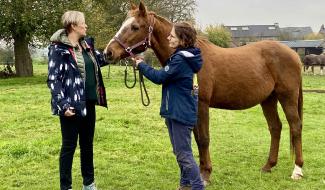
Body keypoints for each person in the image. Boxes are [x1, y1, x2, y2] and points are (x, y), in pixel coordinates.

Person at [132, 22, 204, 190]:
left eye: (172, 36)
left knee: (183, 153)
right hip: (175, 110)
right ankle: (185, 184)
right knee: (180, 152)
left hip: (179, 112)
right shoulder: (183, 57)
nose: (168, 37)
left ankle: (197, 186)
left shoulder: (180, 59)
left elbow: (159, 77)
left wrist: (141, 65)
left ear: (182, 39)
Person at [47, 10, 107, 190]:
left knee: (87, 145)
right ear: (73, 25)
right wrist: (63, 104)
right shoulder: (58, 49)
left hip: (89, 102)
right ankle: (66, 186)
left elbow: (103, 59)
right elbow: (53, 79)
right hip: (70, 105)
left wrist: (126, 52)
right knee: (69, 147)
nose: (86, 25)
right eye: (84, 23)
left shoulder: (86, 46)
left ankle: (88, 183)